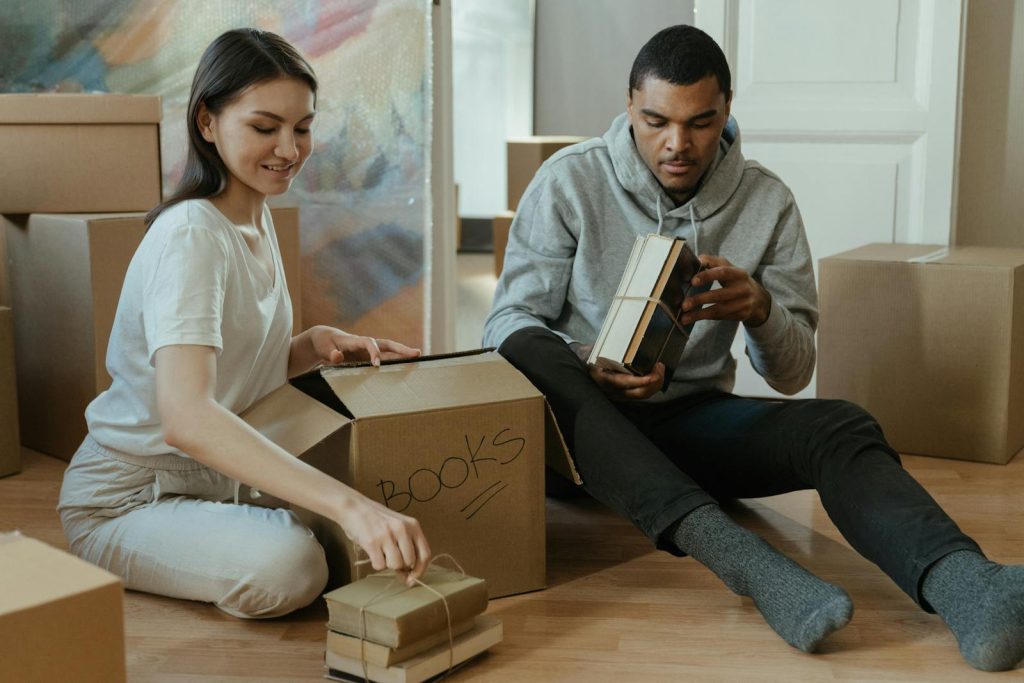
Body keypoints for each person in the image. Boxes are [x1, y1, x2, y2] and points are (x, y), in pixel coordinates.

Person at [484, 24, 1024, 672]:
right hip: (579, 437)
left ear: (727, 109)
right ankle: (741, 557)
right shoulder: (568, 181)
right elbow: (506, 320)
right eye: (656, 121)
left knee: (841, 424)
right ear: (628, 105)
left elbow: (794, 374)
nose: (677, 143)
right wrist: (587, 360)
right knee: (521, 343)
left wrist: (761, 310)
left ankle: (970, 585)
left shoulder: (767, 202)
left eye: (700, 122)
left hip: (689, 425)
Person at [58, 28, 432, 619]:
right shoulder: (190, 235)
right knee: (295, 567)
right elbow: (187, 417)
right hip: (128, 496)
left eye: (302, 127)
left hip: (211, 477)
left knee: (390, 509)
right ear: (207, 121)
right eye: (265, 128)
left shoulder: (252, 220)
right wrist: (349, 507)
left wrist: (310, 345)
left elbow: (228, 368)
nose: (289, 148)